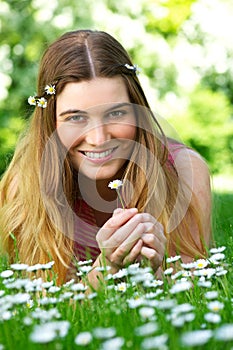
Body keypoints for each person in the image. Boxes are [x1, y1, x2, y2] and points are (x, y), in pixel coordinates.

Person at [0, 29, 212, 287]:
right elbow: (41, 309)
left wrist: (155, 272)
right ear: (51, 123)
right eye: (76, 118)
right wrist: (106, 268)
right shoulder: (26, 186)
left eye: (115, 114)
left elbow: (197, 289)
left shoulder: (183, 172)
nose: (99, 138)